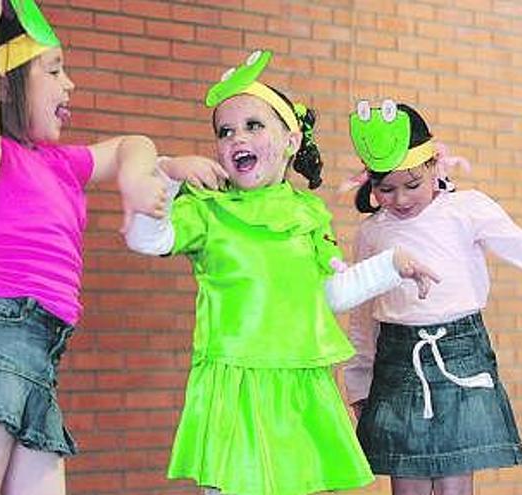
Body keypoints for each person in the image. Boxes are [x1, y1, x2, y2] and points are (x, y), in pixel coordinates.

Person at [125, 50, 438, 495]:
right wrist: (168, 175)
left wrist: (392, 266)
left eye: (254, 125)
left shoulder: (307, 215)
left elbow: (327, 295)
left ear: (291, 139)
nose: (237, 138)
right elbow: (147, 239)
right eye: (225, 131)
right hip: (237, 387)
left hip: (299, 386)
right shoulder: (207, 209)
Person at [0, 1, 167, 494]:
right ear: (0, 84)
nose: (70, 84)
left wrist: (135, 176)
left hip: (41, 355)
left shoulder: (60, 163)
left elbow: (135, 143)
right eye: (54, 69)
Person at [342, 100, 522, 495]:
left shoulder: (467, 209)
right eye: (386, 189)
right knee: (407, 488)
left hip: (462, 352)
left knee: (455, 488)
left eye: (412, 185)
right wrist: (359, 383)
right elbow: (362, 316)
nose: (401, 200)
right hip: (397, 363)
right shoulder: (372, 232)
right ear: (370, 185)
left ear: (434, 167)